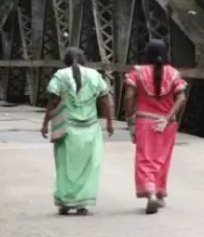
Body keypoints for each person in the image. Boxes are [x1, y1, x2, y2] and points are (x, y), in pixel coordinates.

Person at [41, 47, 114, 215]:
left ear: (65, 61)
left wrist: (45, 123)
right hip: (90, 128)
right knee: (88, 166)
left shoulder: (60, 76)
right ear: (83, 60)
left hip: (67, 129)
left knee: (65, 166)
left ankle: (65, 202)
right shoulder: (95, 76)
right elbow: (104, 101)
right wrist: (109, 123)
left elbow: (52, 102)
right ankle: (82, 203)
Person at [123, 39, 188, 214]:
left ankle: (150, 192)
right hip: (167, 124)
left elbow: (129, 95)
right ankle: (159, 194)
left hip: (145, 121)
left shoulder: (137, 72)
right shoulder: (173, 73)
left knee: (145, 158)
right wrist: (167, 118)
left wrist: (129, 114)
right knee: (162, 158)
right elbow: (181, 98)